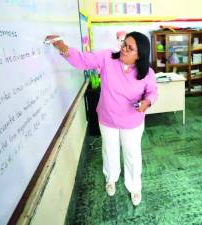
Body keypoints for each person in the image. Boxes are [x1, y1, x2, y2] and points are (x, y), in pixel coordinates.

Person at [45, 32, 157, 206]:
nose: (124, 49)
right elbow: (82, 61)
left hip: (132, 122)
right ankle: (111, 178)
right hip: (108, 118)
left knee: (132, 154)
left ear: (139, 54)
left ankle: (134, 187)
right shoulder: (107, 58)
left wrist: (146, 102)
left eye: (130, 48)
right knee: (109, 150)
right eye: (124, 44)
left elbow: (152, 92)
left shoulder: (147, 72)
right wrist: (63, 47)